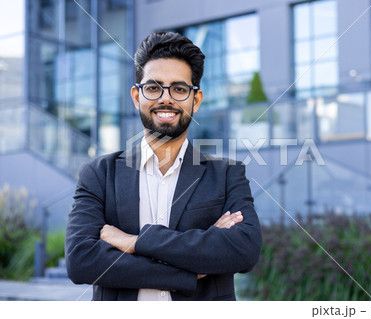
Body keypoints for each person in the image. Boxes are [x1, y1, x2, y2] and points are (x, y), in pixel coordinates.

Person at [65, 31, 262, 301]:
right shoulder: (99, 174)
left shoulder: (228, 175)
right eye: (153, 87)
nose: (165, 98)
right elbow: (81, 261)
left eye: (179, 89)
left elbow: (244, 250)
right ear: (137, 96)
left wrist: (136, 242)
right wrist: (185, 273)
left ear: (196, 99)